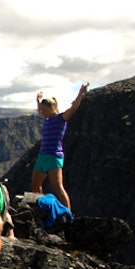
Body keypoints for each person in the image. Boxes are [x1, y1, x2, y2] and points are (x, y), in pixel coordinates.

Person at [31, 83, 88, 214]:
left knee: (57, 187)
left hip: (54, 156)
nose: (42, 112)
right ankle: (42, 208)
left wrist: (81, 93)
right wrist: (38, 100)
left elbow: (73, 108)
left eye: (45, 110)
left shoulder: (60, 119)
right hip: (42, 155)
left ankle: (68, 214)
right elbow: (40, 109)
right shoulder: (47, 119)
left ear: (52, 108)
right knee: (35, 185)